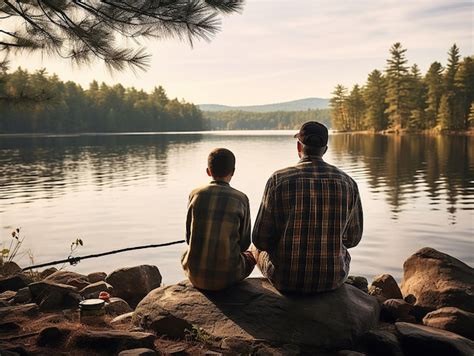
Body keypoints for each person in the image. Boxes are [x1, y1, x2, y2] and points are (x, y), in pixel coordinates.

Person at [252, 121, 363, 294]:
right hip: (332, 278)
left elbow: (260, 239)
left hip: (286, 279)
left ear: (299, 146)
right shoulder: (348, 183)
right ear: (325, 149)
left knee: (254, 249)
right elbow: (353, 239)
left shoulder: (278, 180)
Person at [181, 148, 255, 291]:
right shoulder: (240, 198)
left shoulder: (195, 194)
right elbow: (245, 244)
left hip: (194, 275)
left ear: (208, 171)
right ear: (233, 172)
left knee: (186, 253)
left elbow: (189, 238)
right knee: (253, 254)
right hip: (228, 277)